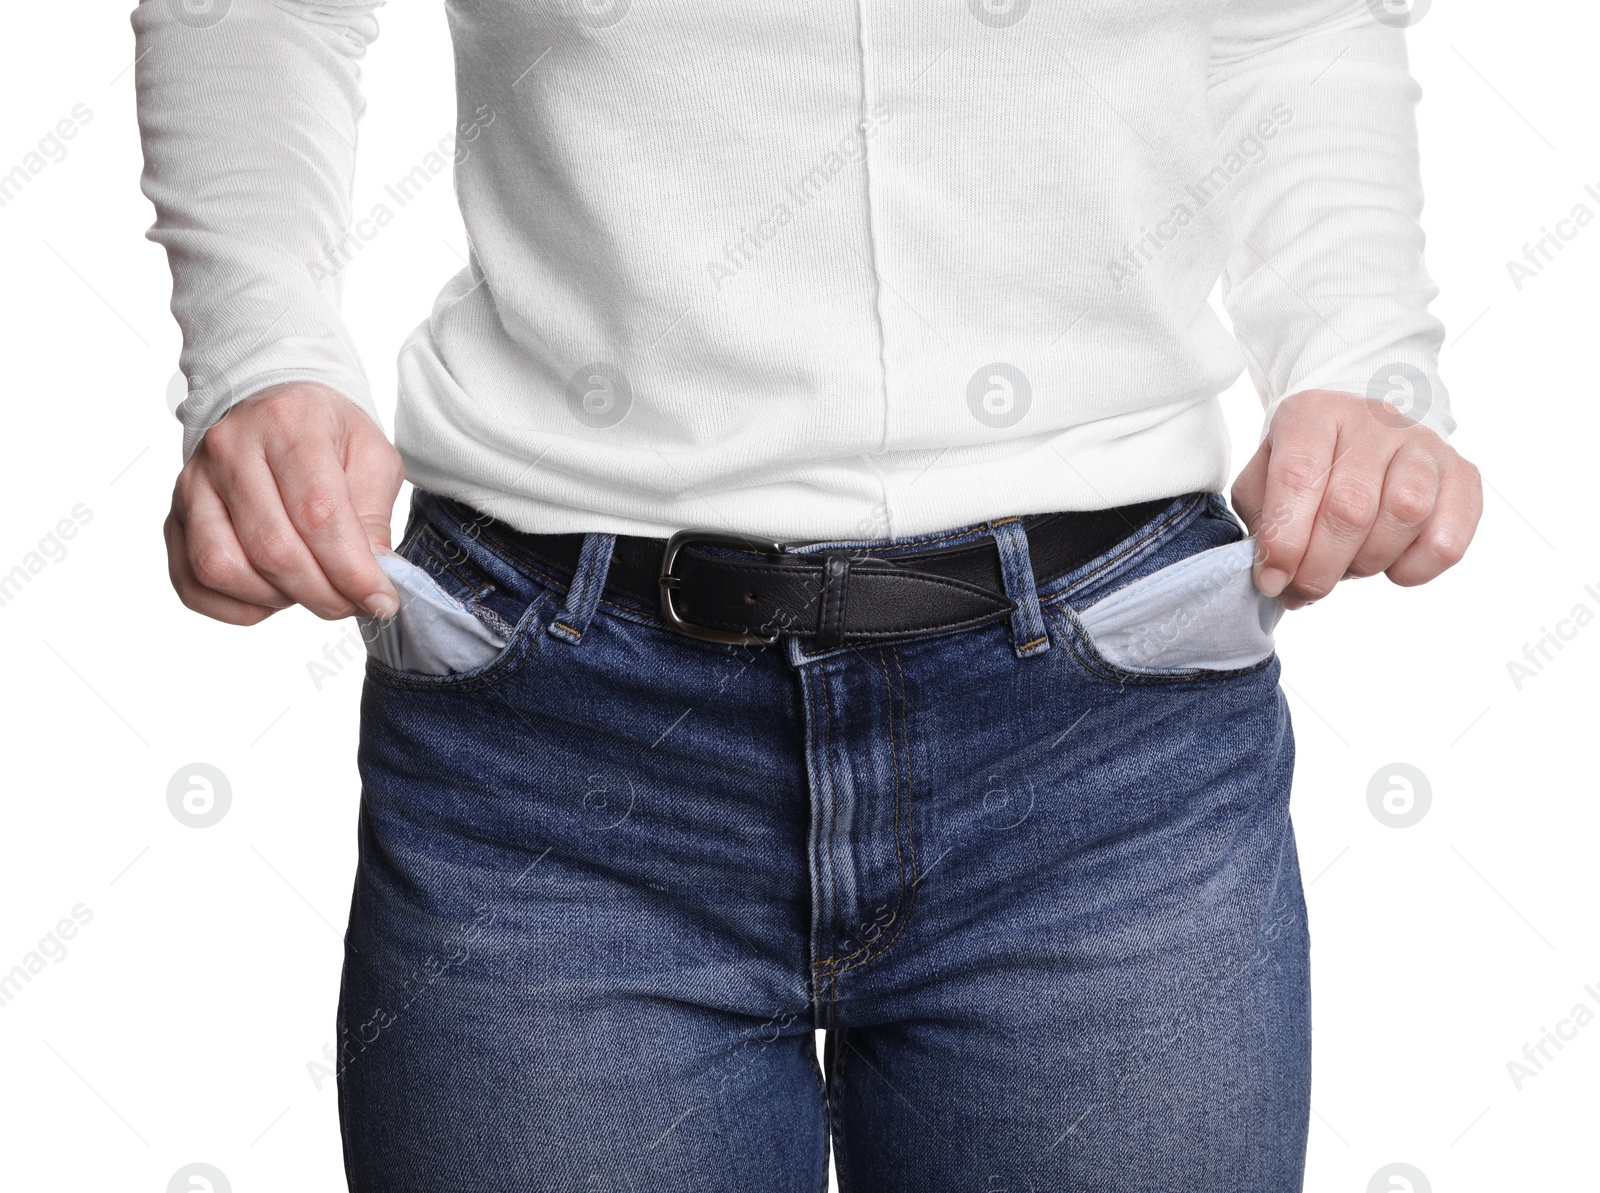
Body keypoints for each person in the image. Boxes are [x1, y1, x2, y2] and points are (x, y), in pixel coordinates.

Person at [133, 0, 1481, 1188]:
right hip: (558, 754)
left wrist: (1360, 353)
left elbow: (1294, 18)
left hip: (1103, 749)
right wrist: (263, 355)